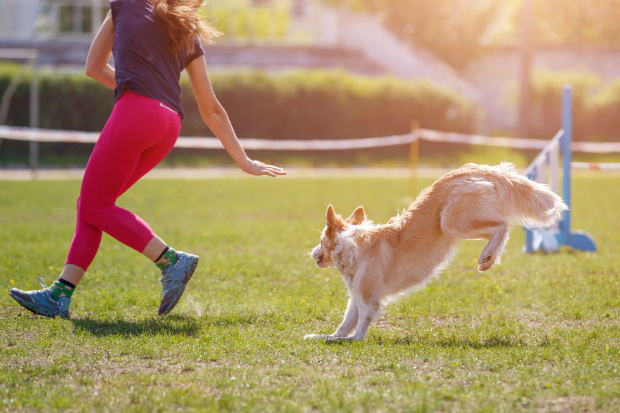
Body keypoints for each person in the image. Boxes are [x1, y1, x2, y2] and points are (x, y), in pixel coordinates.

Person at [8, 0, 286, 319]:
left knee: (95, 204)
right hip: (168, 125)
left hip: (135, 113)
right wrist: (244, 160)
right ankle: (60, 295)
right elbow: (211, 110)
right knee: (94, 204)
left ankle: (170, 260)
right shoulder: (186, 31)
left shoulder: (125, 3)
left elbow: (93, 67)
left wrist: (136, 89)